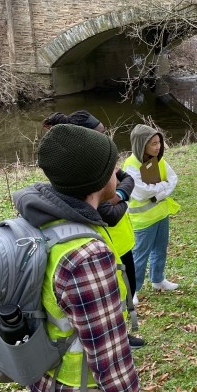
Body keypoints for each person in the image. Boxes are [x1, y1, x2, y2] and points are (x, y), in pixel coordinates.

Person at [13, 124, 153, 392]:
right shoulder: (84, 256)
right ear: (95, 179)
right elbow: (108, 351)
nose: (118, 173)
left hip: (46, 378)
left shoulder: (42, 218)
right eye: (112, 166)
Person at [43, 110, 144, 349]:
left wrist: (118, 194)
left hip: (119, 241)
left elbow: (127, 178)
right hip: (106, 242)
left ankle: (122, 333)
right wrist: (123, 197)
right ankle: (118, 337)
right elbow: (109, 213)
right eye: (100, 134)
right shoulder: (82, 172)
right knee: (108, 298)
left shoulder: (94, 165)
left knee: (123, 288)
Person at [123, 123, 180, 299]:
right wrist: (162, 188)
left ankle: (158, 279)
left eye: (158, 142)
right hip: (143, 220)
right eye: (153, 144)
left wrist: (157, 191)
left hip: (161, 214)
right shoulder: (131, 165)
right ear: (141, 145)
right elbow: (140, 192)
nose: (158, 147)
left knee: (160, 249)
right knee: (139, 255)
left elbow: (173, 179)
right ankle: (134, 289)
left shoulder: (159, 159)